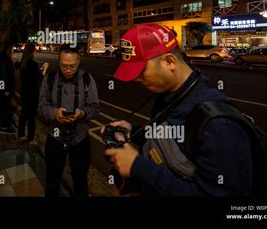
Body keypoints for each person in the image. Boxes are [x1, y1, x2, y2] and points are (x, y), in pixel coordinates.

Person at [104, 23, 253, 196]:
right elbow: (174, 137)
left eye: (141, 71)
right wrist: (134, 131)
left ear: (169, 62)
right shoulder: (170, 94)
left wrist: (138, 167)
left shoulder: (219, 125)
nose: (136, 78)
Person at [38, 44, 100, 197]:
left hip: (80, 137)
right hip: (55, 135)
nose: (68, 70)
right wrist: (54, 113)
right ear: (59, 62)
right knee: (52, 181)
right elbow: (41, 107)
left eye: (72, 66)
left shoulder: (87, 79)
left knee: (80, 183)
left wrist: (82, 113)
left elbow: (95, 107)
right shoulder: (50, 79)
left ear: (79, 63)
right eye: (64, 66)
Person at [17, 43, 48, 147]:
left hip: (24, 91)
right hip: (32, 93)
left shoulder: (22, 63)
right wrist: (44, 69)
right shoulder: (33, 64)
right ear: (32, 51)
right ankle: (31, 138)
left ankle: (21, 135)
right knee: (31, 116)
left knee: (24, 114)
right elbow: (39, 79)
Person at [0, 42, 16, 134]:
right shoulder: (4, 59)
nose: (13, 51)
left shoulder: (2, 58)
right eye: (12, 49)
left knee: (1, 106)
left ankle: (0, 124)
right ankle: (3, 126)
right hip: (4, 90)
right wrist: (5, 90)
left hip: (1, 89)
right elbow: (3, 75)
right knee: (4, 107)